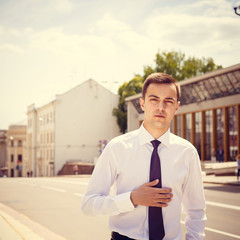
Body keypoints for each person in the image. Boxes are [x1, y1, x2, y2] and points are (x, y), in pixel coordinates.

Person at [81, 73, 206, 240]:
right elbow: (89, 204)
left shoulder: (187, 153)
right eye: (154, 99)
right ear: (142, 104)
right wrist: (132, 198)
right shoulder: (117, 148)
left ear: (176, 107)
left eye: (168, 101)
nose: (161, 107)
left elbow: (196, 211)